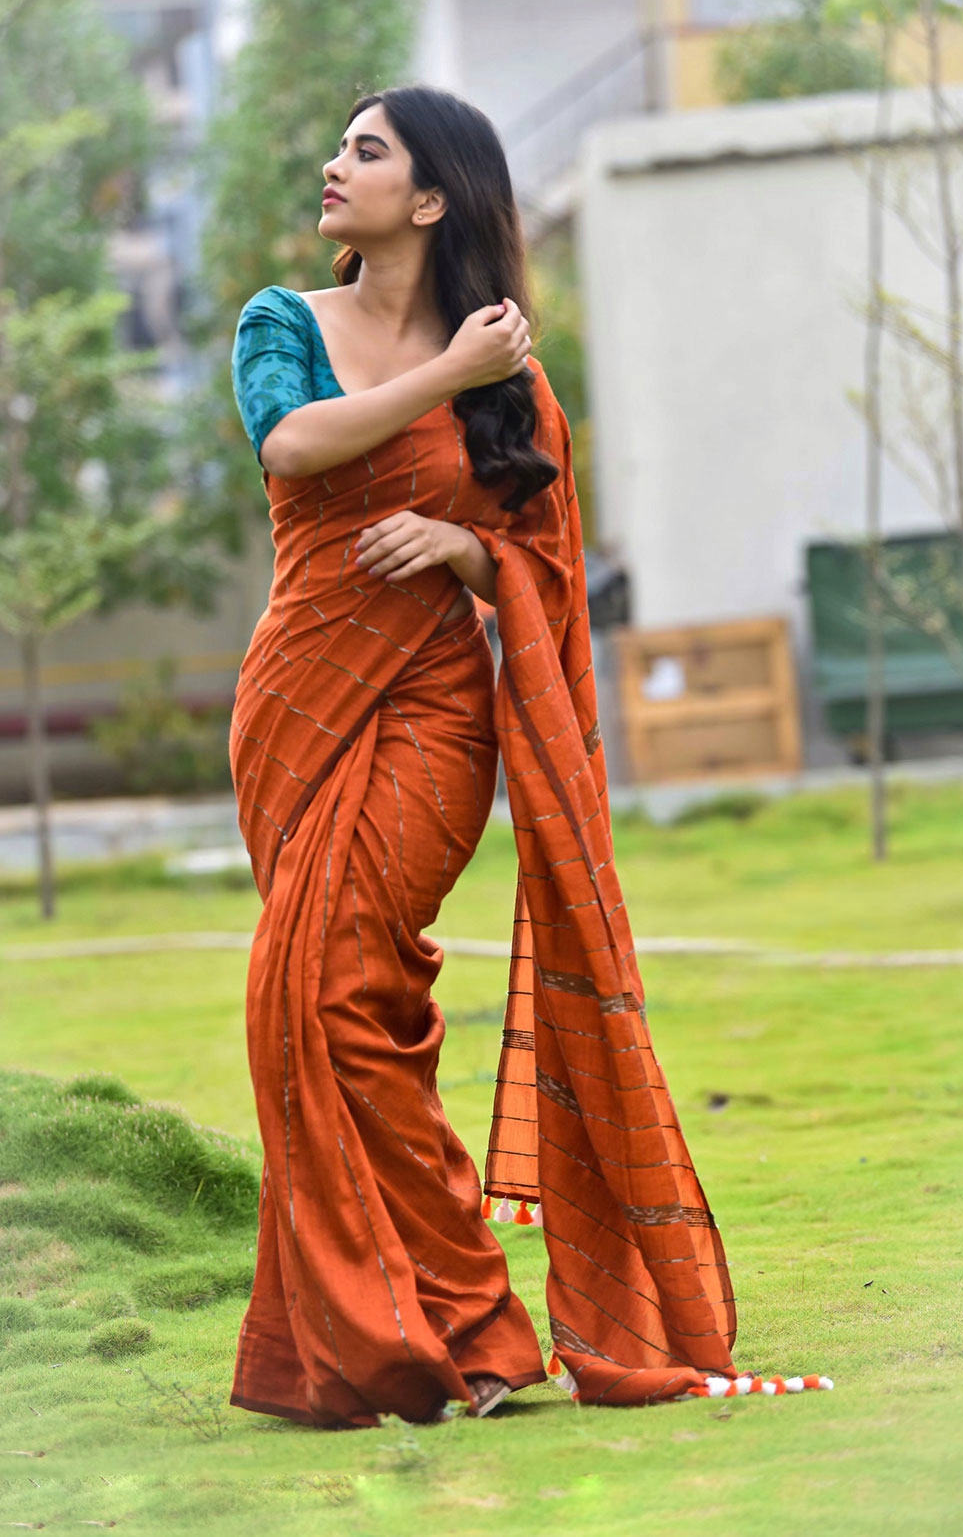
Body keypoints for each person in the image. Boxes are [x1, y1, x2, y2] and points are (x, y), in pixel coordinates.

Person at [227, 85, 824, 1430]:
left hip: (435, 711)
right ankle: (436, 1330)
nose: (333, 165)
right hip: (297, 700)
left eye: (366, 150)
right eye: (339, 147)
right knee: (337, 1005)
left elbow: (547, 568)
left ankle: (458, 1322)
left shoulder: (513, 381)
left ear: (433, 197)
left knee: (330, 990)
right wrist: (446, 375)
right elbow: (289, 444)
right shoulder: (285, 324)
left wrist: (465, 547)